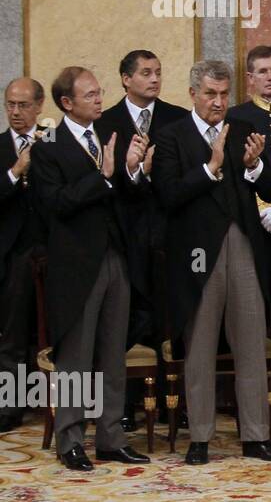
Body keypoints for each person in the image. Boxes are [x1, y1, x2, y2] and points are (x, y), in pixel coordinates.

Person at [151, 60, 271, 465]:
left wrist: (255, 167)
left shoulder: (245, 130)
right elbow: (168, 195)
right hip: (196, 254)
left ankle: (256, 436)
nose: (218, 102)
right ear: (193, 93)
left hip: (243, 243)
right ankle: (200, 438)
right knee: (200, 347)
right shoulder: (171, 136)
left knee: (250, 340)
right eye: (210, 94)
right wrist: (209, 169)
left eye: (224, 94)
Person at [32, 67, 150, 470]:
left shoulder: (106, 135)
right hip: (77, 263)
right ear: (67, 102)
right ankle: (70, 440)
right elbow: (56, 204)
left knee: (112, 352)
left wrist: (132, 168)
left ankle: (111, 438)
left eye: (100, 93)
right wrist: (102, 176)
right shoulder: (47, 145)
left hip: (116, 256)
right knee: (77, 356)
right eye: (90, 95)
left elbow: (127, 196)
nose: (99, 100)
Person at [98, 50, 187, 431]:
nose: (154, 79)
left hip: (172, 234)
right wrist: (135, 172)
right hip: (126, 234)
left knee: (174, 315)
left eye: (158, 72)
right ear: (125, 78)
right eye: (146, 73)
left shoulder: (178, 119)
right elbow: (104, 184)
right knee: (129, 318)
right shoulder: (106, 123)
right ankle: (125, 404)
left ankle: (176, 403)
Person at [226, 46, 271, 336]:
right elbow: (233, 174)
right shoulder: (234, 118)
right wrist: (261, 210)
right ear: (250, 78)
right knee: (251, 307)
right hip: (252, 227)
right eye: (263, 71)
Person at [0, 78, 48, 432]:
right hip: (14, 252)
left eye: (23, 105)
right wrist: (16, 172)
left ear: (39, 106)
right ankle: (9, 406)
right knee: (13, 333)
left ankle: (67, 403)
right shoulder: (1, 146)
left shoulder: (57, 143)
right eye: (10, 105)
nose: (15, 112)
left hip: (53, 249)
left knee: (61, 330)